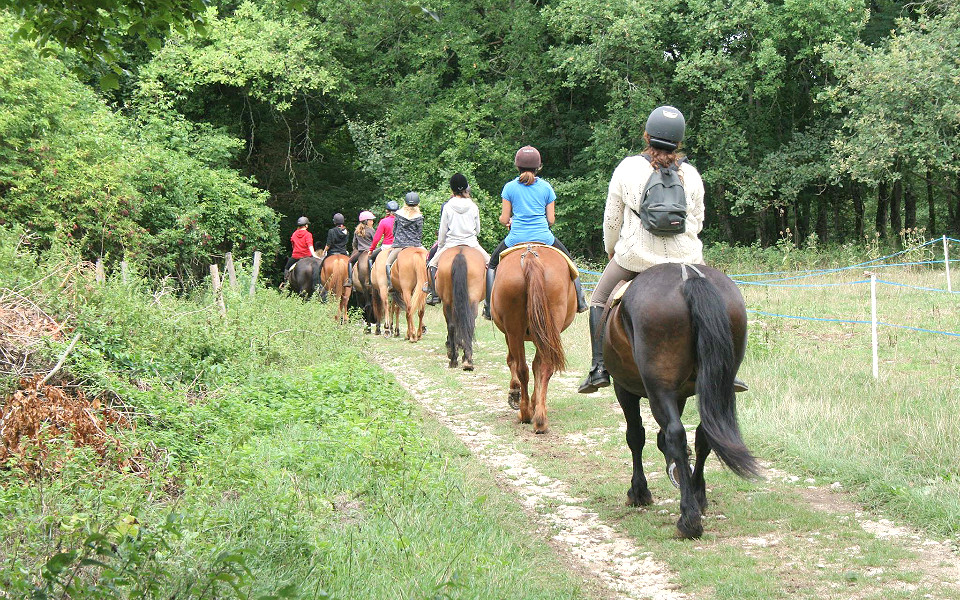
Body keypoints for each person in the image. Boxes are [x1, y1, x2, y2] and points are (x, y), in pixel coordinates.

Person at [579, 105, 721, 393]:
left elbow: (612, 220)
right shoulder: (691, 174)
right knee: (717, 302)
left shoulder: (628, 168)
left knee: (598, 299)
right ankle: (724, 371)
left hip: (636, 257)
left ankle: (599, 368)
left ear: (646, 135)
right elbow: (697, 221)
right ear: (679, 141)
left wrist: (612, 249)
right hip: (687, 258)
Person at [483, 145, 587, 320]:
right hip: (544, 237)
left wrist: (508, 221)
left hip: (515, 238)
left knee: (492, 266)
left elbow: (504, 218)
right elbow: (551, 220)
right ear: (538, 167)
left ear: (517, 166)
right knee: (570, 263)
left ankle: (488, 308)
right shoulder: (546, 187)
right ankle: (581, 300)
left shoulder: (509, 188)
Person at [426, 173, 489, 305]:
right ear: (465, 188)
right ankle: (489, 300)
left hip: (451, 243)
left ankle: (435, 295)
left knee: (431, 264)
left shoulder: (448, 206)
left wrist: (441, 246)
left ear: (452, 189)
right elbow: (477, 230)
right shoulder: (473, 206)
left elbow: (443, 231)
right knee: (492, 264)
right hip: (471, 243)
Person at [385, 192, 425, 291]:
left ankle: (390, 285)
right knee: (428, 261)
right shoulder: (419, 217)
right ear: (417, 204)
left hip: (400, 245)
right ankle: (429, 285)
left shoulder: (398, 215)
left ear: (405, 203)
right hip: (416, 245)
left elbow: (394, 230)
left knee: (388, 263)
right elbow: (419, 233)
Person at [368, 200, 399, 282]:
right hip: (399, 246)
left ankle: (370, 280)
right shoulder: (401, 221)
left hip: (386, 246)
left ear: (387, 211)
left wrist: (371, 249)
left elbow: (377, 238)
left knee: (370, 258)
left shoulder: (383, 221)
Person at [345, 210, 376, 287]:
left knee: (350, 261)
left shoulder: (357, 231)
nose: (372, 222)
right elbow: (375, 241)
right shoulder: (371, 230)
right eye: (371, 220)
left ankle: (350, 280)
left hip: (361, 252)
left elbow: (354, 243)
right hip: (371, 251)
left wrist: (358, 248)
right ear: (366, 221)